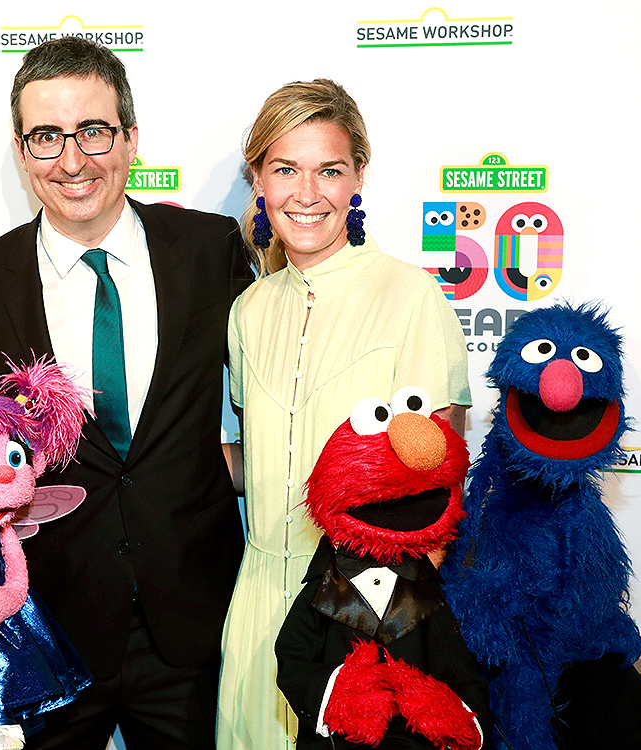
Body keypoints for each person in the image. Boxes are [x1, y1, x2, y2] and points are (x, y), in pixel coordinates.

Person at [0, 36, 253, 749]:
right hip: (44, 627)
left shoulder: (209, 250)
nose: (72, 161)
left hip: (190, 626)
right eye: (47, 136)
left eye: (93, 131)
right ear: (21, 150)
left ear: (131, 137)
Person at [216, 79, 471, 750]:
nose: (307, 192)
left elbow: (439, 498)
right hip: (255, 599)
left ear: (357, 175)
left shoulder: (411, 297)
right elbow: (254, 459)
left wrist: (389, 646)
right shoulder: (249, 309)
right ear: (259, 180)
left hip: (359, 612)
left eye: (328, 170)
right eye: (285, 169)